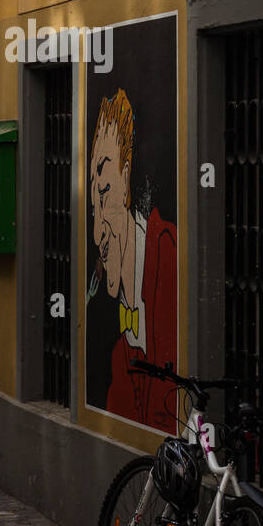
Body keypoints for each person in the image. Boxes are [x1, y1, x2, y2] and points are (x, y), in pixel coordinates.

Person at [89, 89, 177, 431]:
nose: (97, 230)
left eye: (104, 189)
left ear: (126, 178)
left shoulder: (165, 250)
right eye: (93, 200)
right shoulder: (119, 354)